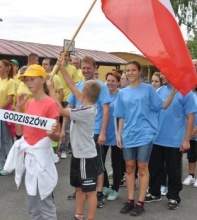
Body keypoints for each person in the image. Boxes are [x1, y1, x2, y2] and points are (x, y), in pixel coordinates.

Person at [116, 63, 175, 215]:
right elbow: (121, 116)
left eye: (133, 70)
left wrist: (174, 91)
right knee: (129, 168)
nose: (130, 73)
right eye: (128, 71)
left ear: (140, 72)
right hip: (128, 134)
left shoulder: (148, 89)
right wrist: (118, 134)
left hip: (145, 134)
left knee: (142, 168)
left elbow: (162, 106)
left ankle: (140, 202)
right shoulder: (122, 93)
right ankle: (130, 200)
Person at [8, 64, 60, 220]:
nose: (29, 83)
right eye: (27, 80)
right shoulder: (29, 103)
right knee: (32, 204)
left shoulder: (51, 104)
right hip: (28, 157)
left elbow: (56, 137)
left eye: (32, 79)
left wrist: (52, 134)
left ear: (42, 79)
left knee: (46, 204)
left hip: (42, 159)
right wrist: (18, 107)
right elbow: (19, 132)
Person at [54, 59, 100, 220]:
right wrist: (61, 68)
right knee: (79, 188)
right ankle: (78, 215)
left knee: (90, 191)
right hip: (79, 155)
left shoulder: (86, 110)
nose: (78, 92)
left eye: (81, 92)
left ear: (85, 95)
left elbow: (60, 110)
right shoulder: (84, 102)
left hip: (85, 157)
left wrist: (52, 90)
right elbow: (72, 86)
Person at [148, 72, 196, 210]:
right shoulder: (159, 90)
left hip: (174, 140)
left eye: (164, 74)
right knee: (155, 168)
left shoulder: (186, 93)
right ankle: (154, 192)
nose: (161, 76)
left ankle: (174, 196)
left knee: (173, 170)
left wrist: (186, 140)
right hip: (156, 139)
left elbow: (190, 117)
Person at [67, 56, 110, 208]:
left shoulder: (99, 86)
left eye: (88, 68)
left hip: (95, 130)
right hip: (78, 131)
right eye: (83, 68)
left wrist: (103, 132)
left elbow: (106, 109)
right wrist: (62, 131)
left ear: (95, 68)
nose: (85, 70)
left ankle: (97, 192)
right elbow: (70, 106)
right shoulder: (79, 85)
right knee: (79, 163)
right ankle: (81, 189)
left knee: (97, 164)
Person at [0, 59, 15, 176]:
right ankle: (1, 162)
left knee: (6, 139)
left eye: (0, 67)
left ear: (6, 68)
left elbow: (9, 99)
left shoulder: (10, 82)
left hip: (4, 114)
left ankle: (10, 164)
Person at [102, 71, 122, 201]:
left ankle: (115, 188)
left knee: (117, 164)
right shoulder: (102, 94)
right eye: (108, 80)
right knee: (100, 162)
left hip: (116, 135)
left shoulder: (121, 95)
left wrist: (121, 134)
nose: (110, 83)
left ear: (118, 82)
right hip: (103, 133)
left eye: (113, 81)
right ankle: (104, 185)